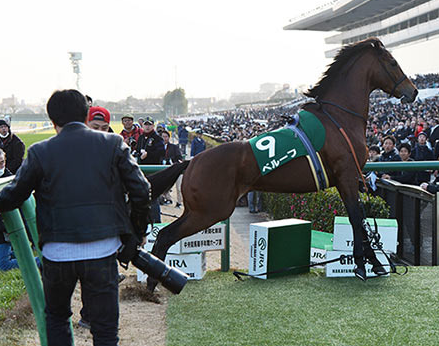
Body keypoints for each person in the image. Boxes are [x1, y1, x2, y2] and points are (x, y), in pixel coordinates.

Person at [0, 89, 151, 346]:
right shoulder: (113, 144)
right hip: (103, 249)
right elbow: (141, 190)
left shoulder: (39, 151)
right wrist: (135, 233)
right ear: (86, 115)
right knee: (105, 330)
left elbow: (13, 197)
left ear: (52, 120)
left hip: (57, 253)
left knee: (58, 319)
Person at [136, 117, 165, 222]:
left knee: (153, 197)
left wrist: (148, 155)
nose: (147, 127)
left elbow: (161, 152)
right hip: (142, 171)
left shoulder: (157, 138)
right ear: (142, 125)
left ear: (153, 126)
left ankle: (156, 221)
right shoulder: (141, 138)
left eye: (149, 125)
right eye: (145, 124)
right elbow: (138, 151)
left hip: (154, 171)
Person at [161, 130, 183, 207]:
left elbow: (179, 157)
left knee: (179, 187)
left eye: (166, 136)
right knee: (165, 186)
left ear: (169, 138)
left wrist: (173, 160)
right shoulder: (158, 147)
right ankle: (168, 199)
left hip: (175, 168)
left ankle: (179, 202)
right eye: (162, 137)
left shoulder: (174, 147)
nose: (164, 138)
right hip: (164, 169)